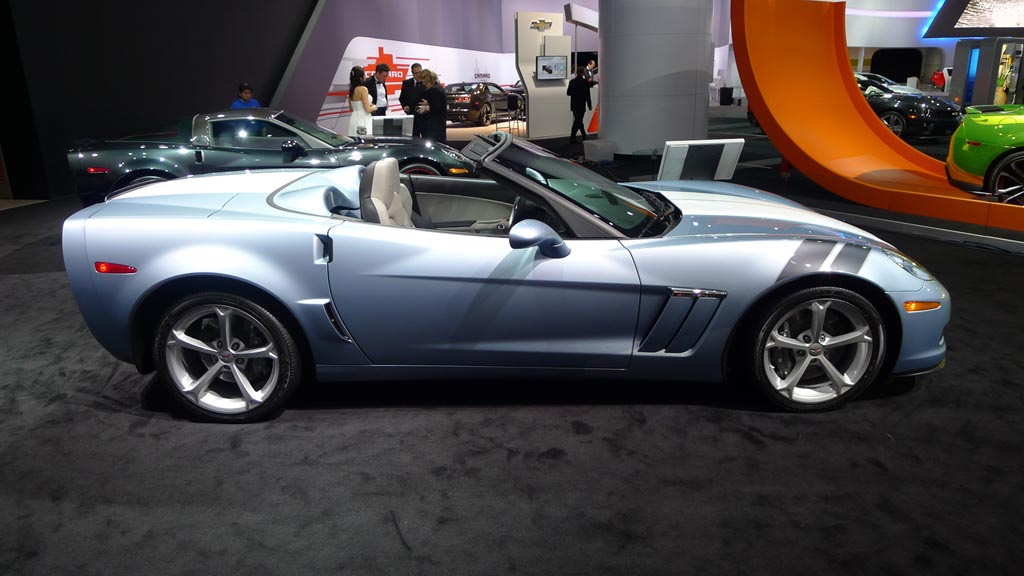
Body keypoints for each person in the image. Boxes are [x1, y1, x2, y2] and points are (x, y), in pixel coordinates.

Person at [414, 69, 447, 143]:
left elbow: (439, 108)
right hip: (435, 125)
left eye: (423, 80)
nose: (422, 83)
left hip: (435, 126)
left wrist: (427, 107)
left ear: (427, 79)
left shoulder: (436, 90)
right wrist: (428, 103)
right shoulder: (436, 88)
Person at [348, 66, 377, 137]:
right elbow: (367, 109)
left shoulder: (351, 90)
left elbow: (351, 108)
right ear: (361, 78)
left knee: (357, 143)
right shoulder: (363, 89)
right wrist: (374, 107)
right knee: (367, 143)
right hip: (363, 120)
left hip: (354, 119)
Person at [566, 66, 592, 143]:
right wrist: (589, 105)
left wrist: (575, 93)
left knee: (578, 120)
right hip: (581, 104)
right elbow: (588, 95)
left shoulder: (572, 82)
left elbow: (568, 93)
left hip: (574, 104)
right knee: (579, 120)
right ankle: (576, 137)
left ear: (577, 72)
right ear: (583, 73)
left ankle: (579, 136)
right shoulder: (585, 82)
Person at [400, 63, 425, 137]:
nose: (418, 75)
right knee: (414, 137)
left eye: (420, 72)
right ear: (412, 73)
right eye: (416, 73)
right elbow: (402, 97)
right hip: (412, 115)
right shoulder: (406, 83)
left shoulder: (426, 83)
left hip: (425, 116)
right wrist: (404, 106)